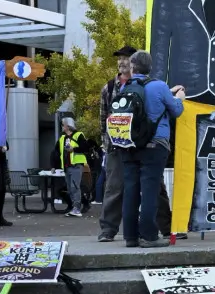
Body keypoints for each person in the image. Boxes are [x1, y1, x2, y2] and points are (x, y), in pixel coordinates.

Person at [121, 51, 183, 248]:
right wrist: (179, 97)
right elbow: (176, 111)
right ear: (150, 67)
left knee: (131, 189)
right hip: (155, 145)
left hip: (129, 145)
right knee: (150, 190)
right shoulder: (159, 86)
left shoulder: (125, 86)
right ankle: (149, 236)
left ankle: (130, 236)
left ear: (133, 67)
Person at [97, 47, 135, 242]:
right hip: (116, 146)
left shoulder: (142, 84)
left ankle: (166, 227)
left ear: (134, 62)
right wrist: (106, 144)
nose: (121, 62)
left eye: (125, 59)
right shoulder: (109, 87)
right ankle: (108, 230)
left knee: (152, 187)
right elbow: (103, 117)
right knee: (113, 188)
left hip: (139, 145)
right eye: (119, 59)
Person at [53, 117, 92, 218]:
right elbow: (56, 152)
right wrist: (54, 166)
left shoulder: (79, 135)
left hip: (76, 165)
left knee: (75, 187)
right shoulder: (62, 138)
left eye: (62, 125)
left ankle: (77, 208)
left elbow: (86, 148)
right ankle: (74, 207)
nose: (62, 127)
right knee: (70, 188)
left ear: (67, 126)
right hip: (66, 167)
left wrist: (73, 149)